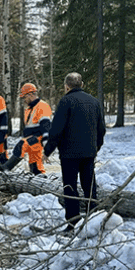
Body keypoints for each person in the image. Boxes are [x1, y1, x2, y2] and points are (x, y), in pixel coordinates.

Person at [43, 73, 106, 232]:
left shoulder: (66, 101)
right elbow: (101, 129)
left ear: (66, 86)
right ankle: (94, 218)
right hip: (89, 152)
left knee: (70, 187)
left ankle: (73, 221)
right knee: (89, 186)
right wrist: (96, 147)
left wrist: (47, 151)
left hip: (69, 154)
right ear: (82, 84)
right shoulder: (94, 102)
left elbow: (56, 130)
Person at [0, 83, 52, 175]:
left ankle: (7, 167)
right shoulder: (29, 109)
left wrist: (46, 142)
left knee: (21, 146)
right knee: (34, 161)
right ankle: (38, 175)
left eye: (25, 97)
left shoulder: (42, 106)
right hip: (31, 137)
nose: (24, 100)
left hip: (38, 137)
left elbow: (46, 125)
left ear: (30, 94)